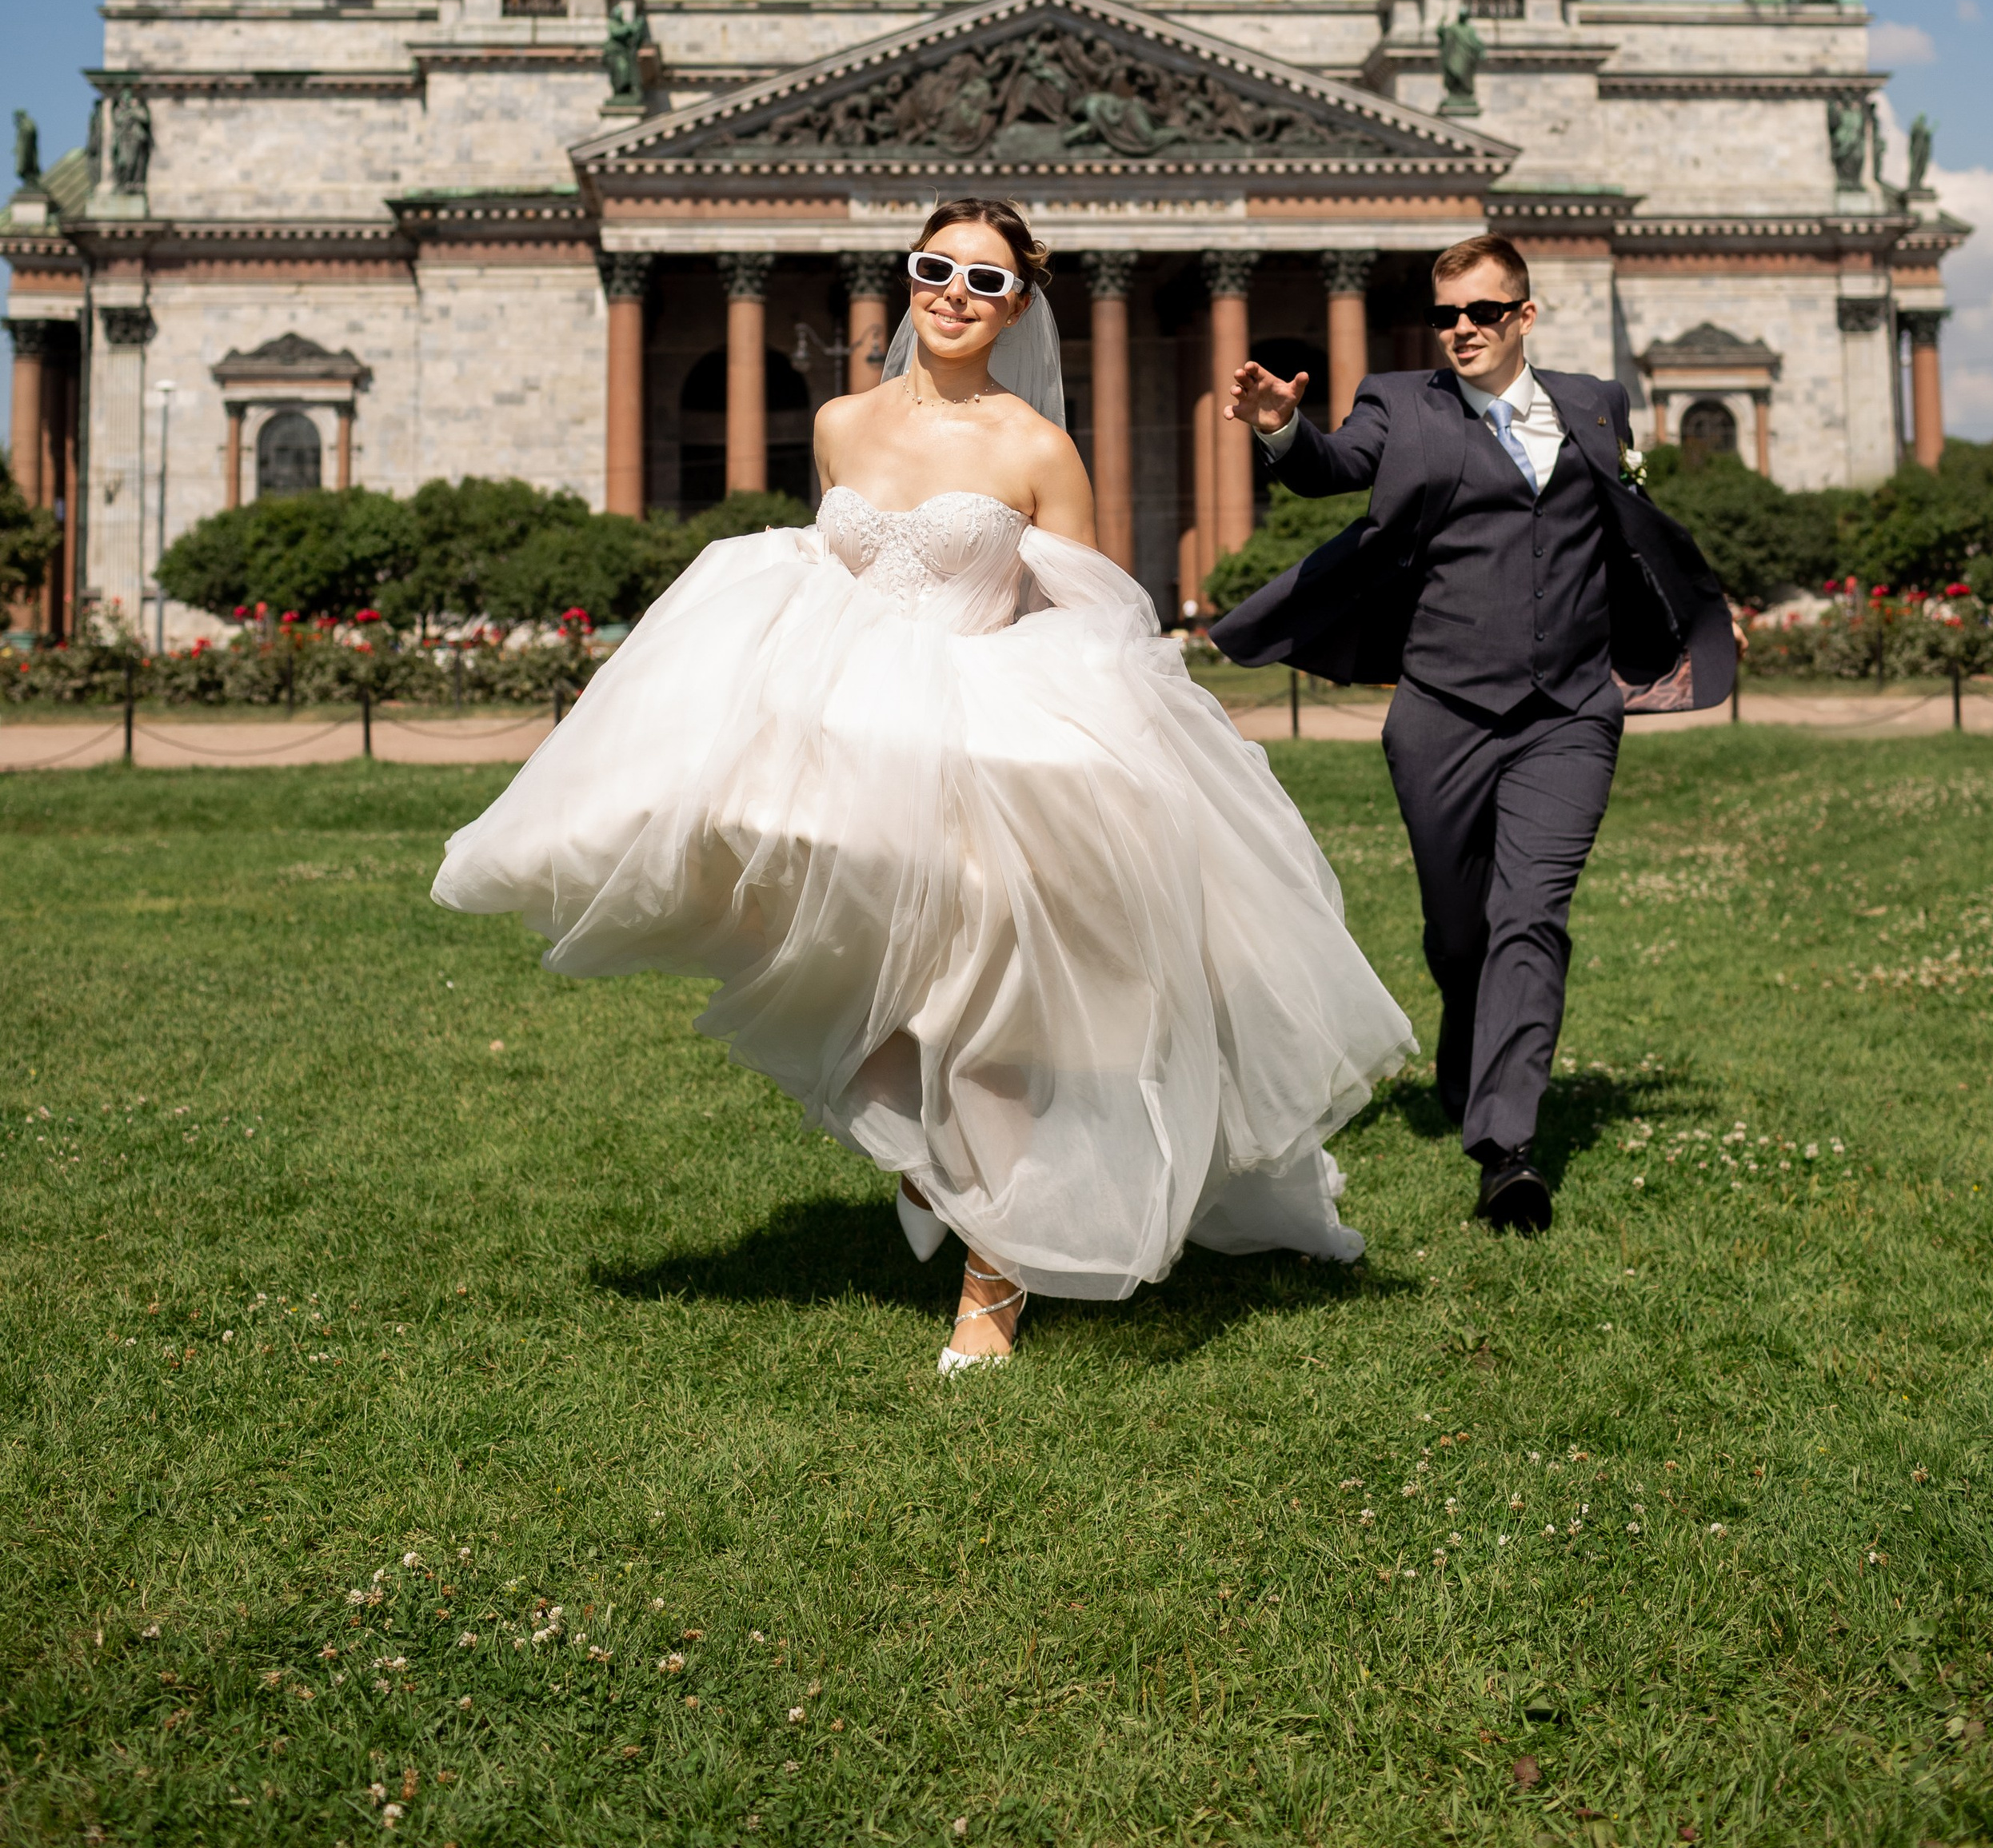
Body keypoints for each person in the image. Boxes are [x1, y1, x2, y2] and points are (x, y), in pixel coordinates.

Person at [433, 194, 1412, 1371]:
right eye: (936, 267)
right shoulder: (841, 423)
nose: (955, 293)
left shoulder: (1037, 449)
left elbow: (1090, 614)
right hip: (847, 745)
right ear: (909, 277)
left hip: (982, 739)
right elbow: (824, 576)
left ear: (1019, 307)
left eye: (986, 280)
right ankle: (929, 1168)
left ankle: (992, 1287)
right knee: (855, 984)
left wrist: (1092, 750)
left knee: (987, 1014)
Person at [1213, 235, 1735, 1237]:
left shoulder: (1595, 403)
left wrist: (1674, 615)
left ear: (1523, 318)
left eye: (1482, 313)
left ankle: (1507, 1153)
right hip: (1442, 711)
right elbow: (1332, 468)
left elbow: (1628, 528)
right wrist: (1282, 429)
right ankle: (1469, 1030)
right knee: (1463, 934)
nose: (1460, 330)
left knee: (1531, 913)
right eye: (1447, 313)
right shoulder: (1400, 404)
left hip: (1572, 711)